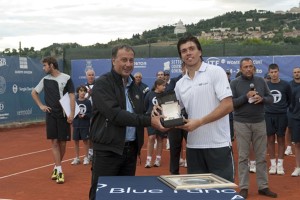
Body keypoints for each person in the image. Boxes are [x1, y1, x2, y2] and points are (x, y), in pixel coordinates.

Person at [89, 45, 166, 200]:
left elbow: (138, 114)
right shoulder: (103, 84)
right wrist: (149, 120)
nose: (128, 64)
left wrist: (155, 112)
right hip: (107, 151)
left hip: (130, 151)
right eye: (124, 59)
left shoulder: (135, 87)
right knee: (101, 196)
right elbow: (116, 115)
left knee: (124, 196)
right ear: (113, 61)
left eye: (131, 60)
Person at [173, 34, 234, 182]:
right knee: (197, 193)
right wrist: (161, 114)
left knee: (222, 193)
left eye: (192, 49)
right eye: (184, 51)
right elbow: (174, 113)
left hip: (218, 145)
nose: (188, 53)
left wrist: (199, 122)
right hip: (193, 147)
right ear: (181, 56)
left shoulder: (215, 72)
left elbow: (228, 105)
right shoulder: (180, 84)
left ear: (199, 51)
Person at [230, 57, 277, 199]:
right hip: (241, 123)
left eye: (251, 66)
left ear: (254, 68)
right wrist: (246, 96)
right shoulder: (235, 83)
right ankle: (244, 187)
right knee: (243, 157)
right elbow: (231, 103)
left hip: (259, 122)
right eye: (246, 67)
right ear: (240, 69)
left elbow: (271, 98)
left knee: (261, 156)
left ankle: (263, 186)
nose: (249, 69)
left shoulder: (261, 81)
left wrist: (262, 99)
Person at [31, 56, 75, 184]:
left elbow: (72, 96)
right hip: (51, 115)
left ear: (51, 65)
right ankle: (60, 171)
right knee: (54, 142)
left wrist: (71, 114)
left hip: (63, 116)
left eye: (45, 65)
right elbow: (34, 93)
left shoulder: (66, 78)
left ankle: (56, 167)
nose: (43, 68)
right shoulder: (45, 79)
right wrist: (41, 106)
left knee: (63, 143)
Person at [265, 63, 291, 175]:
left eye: (275, 72)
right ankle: (273, 165)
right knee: (270, 140)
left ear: (278, 72)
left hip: (281, 115)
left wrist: (282, 108)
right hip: (268, 115)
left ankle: (280, 165)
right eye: (272, 72)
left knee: (280, 139)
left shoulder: (285, 85)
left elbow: (289, 100)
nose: (274, 74)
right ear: (269, 73)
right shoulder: (265, 85)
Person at [165, 62, 188, 174]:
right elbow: (168, 95)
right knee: (175, 147)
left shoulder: (196, 81)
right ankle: (174, 173)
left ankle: (193, 171)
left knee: (193, 145)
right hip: (174, 116)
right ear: (182, 68)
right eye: (185, 67)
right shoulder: (174, 81)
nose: (187, 69)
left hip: (190, 118)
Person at [144, 79, 167, 168]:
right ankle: (148, 160)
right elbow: (145, 105)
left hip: (162, 119)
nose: (164, 87)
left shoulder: (165, 95)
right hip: (151, 119)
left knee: (160, 138)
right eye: (163, 85)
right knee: (151, 137)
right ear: (157, 85)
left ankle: (158, 159)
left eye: (165, 85)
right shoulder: (149, 94)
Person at [71, 85, 92, 165]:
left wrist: (85, 115)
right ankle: (77, 158)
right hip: (76, 124)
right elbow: (72, 112)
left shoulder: (88, 102)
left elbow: (90, 113)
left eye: (84, 91)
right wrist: (76, 115)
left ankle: (86, 157)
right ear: (78, 92)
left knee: (85, 141)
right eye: (81, 91)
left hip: (85, 125)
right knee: (76, 141)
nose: (83, 92)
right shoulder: (75, 102)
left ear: (86, 92)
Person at [285, 67, 300, 156]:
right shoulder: (289, 85)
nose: (297, 74)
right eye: (295, 72)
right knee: (289, 128)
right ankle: (289, 147)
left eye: (298, 72)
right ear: (293, 74)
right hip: (292, 111)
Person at [85, 68, 95, 160]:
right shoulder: (83, 88)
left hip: (98, 113)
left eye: (92, 75)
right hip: (88, 114)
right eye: (89, 75)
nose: (91, 76)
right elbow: (82, 101)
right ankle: (90, 152)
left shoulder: (99, 86)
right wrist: (88, 95)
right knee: (89, 134)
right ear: (86, 76)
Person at [290, 84, 300, 176]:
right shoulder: (296, 90)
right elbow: (292, 105)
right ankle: (298, 167)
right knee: (297, 143)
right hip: (297, 119)